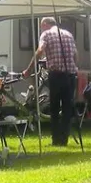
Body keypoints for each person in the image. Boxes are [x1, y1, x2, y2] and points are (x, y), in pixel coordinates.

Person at [28, 16, 79, 146]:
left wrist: (29, 69)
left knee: (55, 108)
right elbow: (75, 55)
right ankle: (64, 140)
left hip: (56, 75)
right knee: (67, 108)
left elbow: (40, 51)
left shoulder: (46, 34)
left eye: (41, 26)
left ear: (45, 24)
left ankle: (56, 140)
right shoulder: (68, 34)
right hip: (71, 75)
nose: (41, 29)